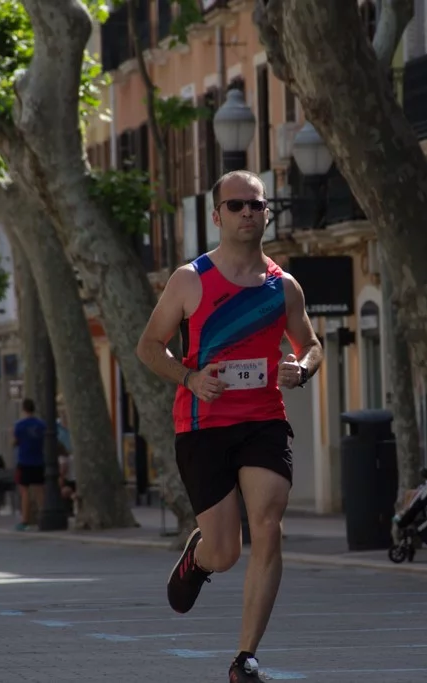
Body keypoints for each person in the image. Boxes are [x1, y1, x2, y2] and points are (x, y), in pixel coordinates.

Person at [136, 169, 322, 682]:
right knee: (226, 551)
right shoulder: (190, 279)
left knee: (268, 524)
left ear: (266, 213)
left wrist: (302, 368)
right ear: (216, 216)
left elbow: (310, 343)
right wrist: (190, 377)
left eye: (255, 206)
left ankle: (245, 658)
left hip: (264, 420)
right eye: (236, 205)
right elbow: (149, 347)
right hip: (203, 425)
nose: (247, 213)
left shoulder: (282, 286)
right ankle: (199, 557)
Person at [12, 397, 46, 530]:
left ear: (23, 409)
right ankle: (44, 515)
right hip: (38, 459)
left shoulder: (20, 425)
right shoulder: (42, 425)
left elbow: (15, 442)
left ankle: (25, 520)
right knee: (39, 490)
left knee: (24, 490)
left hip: (24, 460)